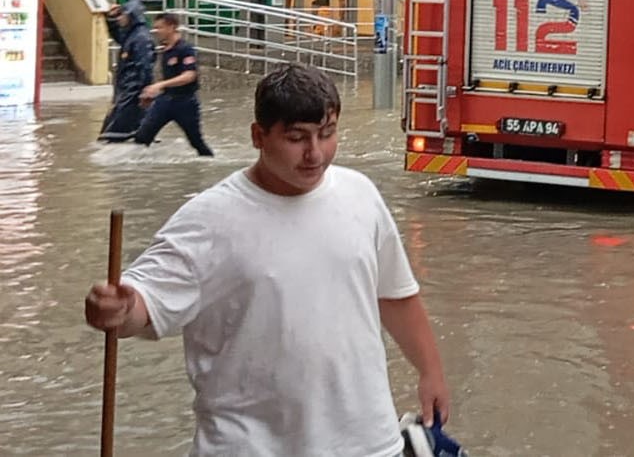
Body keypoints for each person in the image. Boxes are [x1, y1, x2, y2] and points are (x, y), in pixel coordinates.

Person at [84, 64, 451, 456]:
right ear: (259, 136)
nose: (315, 154)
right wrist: (117, 308)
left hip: (369, 443)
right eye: (296, 138)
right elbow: (144, 304)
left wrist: (430, 371)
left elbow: (394, 295)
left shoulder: (360, 194)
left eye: (327, 134)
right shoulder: (210, 219)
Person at [132, 12, 214, 156]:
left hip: (185, 103)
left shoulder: (185, 49)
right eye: (155, 28)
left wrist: (160, 85)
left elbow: (189, 76)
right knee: (142, 137)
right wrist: (152, 93)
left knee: (196, 142)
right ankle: (139, 173)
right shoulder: (165, 50)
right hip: (165, 101)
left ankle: (209, 163)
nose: (156, 32)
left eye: (160, 28)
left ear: (172, 27)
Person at [99, 0, 154, 142]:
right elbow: (118, 36)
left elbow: (145, 68)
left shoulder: (141, 38)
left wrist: (143, 92)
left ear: (131, 16)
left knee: (113, 136)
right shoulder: (132, 35)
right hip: (125, 93)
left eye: (122, 15)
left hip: (132, 94)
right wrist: (110, 18)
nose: (120, 18)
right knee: (112, 134)